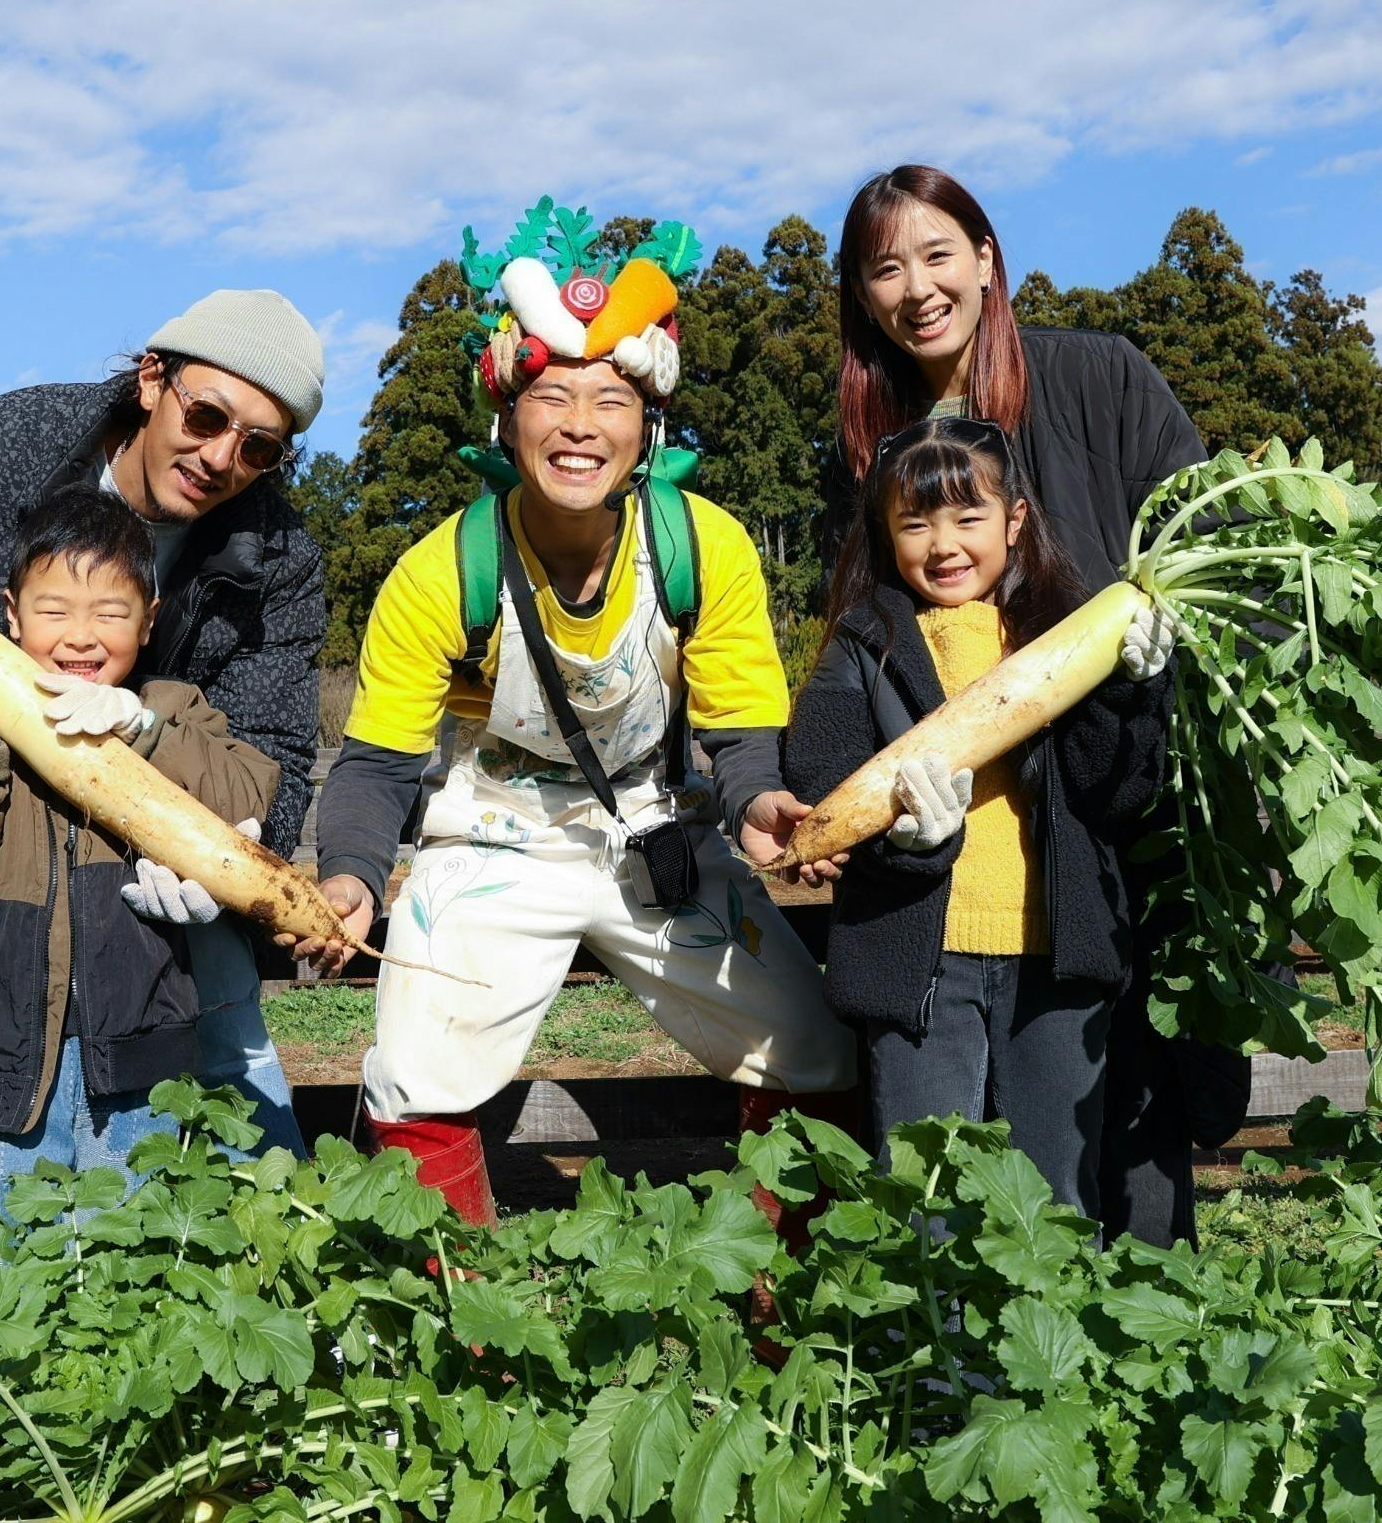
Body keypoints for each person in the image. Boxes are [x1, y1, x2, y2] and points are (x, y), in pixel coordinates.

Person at [309, 205, 852, 1225]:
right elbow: (378, 765)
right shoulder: (443, 569)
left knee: (809, 1045)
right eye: (550, 394)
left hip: (656, 820)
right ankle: (443, 1335)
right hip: (499, 826)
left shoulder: (706, 546)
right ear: (506, 419)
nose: (578, 423)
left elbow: (740, 734)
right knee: (412, 1065)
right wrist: (345, 873)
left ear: (649, 423)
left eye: (610, 397)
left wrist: (763, 801)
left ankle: (791, 1324)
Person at [0, 290, 331, 1318]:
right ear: (153, 381)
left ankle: (293, 1314)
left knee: (233, 1061)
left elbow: (272, 741)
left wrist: (241, 856)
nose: (222, 455)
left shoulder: (280, 551)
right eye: (206, 416)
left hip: (160, 858)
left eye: (261, 446)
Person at [824, 164, 1227, 1247]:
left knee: (1119, 1126)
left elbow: (1205, 533)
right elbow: (856, 637)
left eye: (938, 253)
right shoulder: (869, 436)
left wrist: (1157, 652)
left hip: (1117, 800)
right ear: (863, 295)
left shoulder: (1099, 375)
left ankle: (1139, 1355)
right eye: (885, 267)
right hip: (961, 873)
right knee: (958, 1162)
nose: (916, 287)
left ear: (989, 258)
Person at [780, 418, 1172, 1217]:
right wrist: (908, 841)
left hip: (1055, 964)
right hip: (920, 963)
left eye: (968, 517)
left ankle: (1048, 1343)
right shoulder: (864, 642)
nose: (944, 543)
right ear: (886, 533)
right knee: (922, 1195)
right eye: (915, 521)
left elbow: (1116, 793)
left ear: (1014, 521)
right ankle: (937, 1344)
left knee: (1056, 1195)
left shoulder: (1071, 640)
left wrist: (1135, 693)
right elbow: (821, 772)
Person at [0, 489, 294, 1226]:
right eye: (54, 611)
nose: (81, 636)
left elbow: (249, 790)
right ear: (11, 616)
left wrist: (145, 730)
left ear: (149, 618)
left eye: (110, 612)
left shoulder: (172, 707)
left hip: (140, 1061)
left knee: (128, 1251)